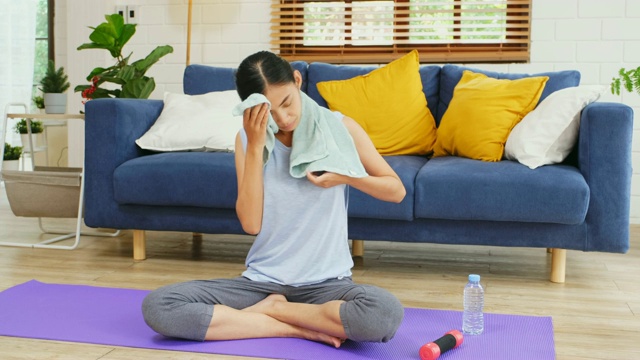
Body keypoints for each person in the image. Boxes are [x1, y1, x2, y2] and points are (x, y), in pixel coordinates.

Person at [142, 51, 406, 348]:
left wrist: (344, 176)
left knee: (382, 314)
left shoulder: (341, 127)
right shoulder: (247, 140)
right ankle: (290, 326)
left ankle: (277, 311)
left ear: (297, 80)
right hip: (261, 283)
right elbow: (251, 223)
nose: (283, 118)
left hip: (327, 284)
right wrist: (255, 147)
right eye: (270, 111)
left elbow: (396, 191)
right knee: (160, 307)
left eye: (287, 103)